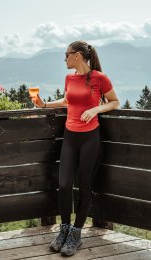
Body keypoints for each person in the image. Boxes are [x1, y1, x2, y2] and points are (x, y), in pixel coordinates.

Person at [31, 40, 120, 257]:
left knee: (85, 185)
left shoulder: (100, 78)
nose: (65, 58)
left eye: (67, 55)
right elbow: (68, 100)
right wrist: (44, 105)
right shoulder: (69, 77)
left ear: (78, 55)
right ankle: (64, 230)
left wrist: (96, 109)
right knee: (64, 184)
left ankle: (76, 234)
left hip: (90, 138)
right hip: (70, 137)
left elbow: (114, 102)